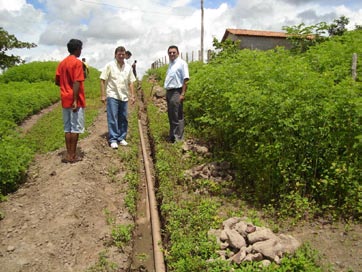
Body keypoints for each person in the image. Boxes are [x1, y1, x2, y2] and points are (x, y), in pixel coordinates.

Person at [55, 39, 86, 163]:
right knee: (75, 128)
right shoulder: (77, 63)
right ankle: (73, 156)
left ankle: (68, 154)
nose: (81, 51)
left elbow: (57, 81)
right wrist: (74, 100)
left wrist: (65, 86)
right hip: (75, 100)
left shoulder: (62, 63)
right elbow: (77, 82)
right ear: (77, 49)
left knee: (67, 127)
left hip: (64, 98)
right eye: (80, 49)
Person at [100, 46, 136, 149]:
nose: (121, 56)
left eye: (123, 54)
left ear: (125, 55)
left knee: (123, 118)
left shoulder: (128, 67)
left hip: (124, 96)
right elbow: (102, 80)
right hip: (112, 95)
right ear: (115, 55)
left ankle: (121, 137)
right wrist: (103, 95)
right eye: (119, 54)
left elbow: (131, 82)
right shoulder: (109, 66)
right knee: (113, 117)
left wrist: (132, 95)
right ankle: (113, 139)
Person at [164, 45, 189, 143]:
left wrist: (182, 93)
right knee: (171, 114)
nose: (172, 54)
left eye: (173, 52)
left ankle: (179, 138)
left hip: (176, 91)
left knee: (177, 114)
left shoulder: (182, 63)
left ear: (178, 53)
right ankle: (172, 135)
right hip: (169, 91)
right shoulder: (171, 64)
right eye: (170, 53)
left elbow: (185, 80)